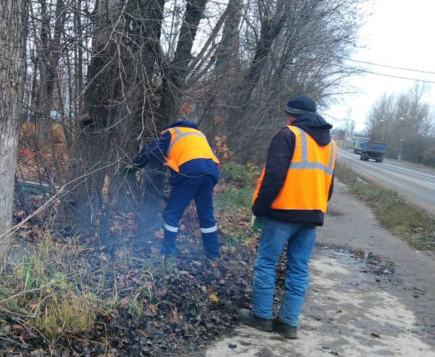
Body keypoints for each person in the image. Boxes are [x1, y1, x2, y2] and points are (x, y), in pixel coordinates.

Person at [238, 94, 336, 339]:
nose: (285, 117)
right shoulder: (330, 144)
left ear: (293, 115)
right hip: (312, 215)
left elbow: (274, 176)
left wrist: (259, 209)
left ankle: (262, 317)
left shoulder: (288, 135)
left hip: (283, 213)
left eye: (287, 113)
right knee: (299, 268)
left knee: (267, 263)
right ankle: (289, 323)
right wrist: (316, 207)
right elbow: (329, 184)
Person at [134, 119, 221, 259]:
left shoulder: (171, 132)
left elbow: (152, 151)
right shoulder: (199, 134)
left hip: (190, 171)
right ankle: (213, 254)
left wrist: (135, 165)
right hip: (212, 172)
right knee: (206, 215)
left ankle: (168, 252)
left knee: (172, 213)